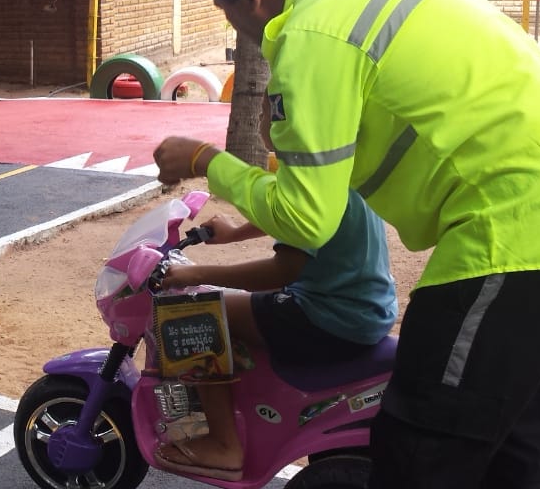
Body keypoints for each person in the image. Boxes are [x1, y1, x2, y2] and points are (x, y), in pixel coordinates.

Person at [153, 0, 540, 488]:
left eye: (227, 12)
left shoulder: (309, 33)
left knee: (422, 445)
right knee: (510, 437)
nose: (235, 26)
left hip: (514, 232)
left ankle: (222, 440)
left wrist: (205, 160)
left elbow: (306, 218)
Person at [156, 191, 397, 480]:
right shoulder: (336, 172)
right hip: (364, 307)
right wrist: (235, 233)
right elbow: (294, 215)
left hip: (330, 313)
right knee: (239, 303)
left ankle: (223, 445)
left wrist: (196, 275)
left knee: (193, 313)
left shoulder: (307, 173)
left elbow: (281, 271)